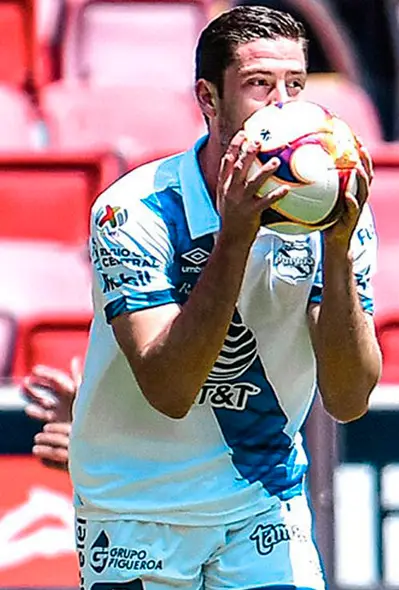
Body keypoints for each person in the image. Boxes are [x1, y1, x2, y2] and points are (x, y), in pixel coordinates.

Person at [69, 5, 381, 590]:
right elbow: (170, 389)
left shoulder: (334, 214)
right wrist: (235, 237)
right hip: (137, 505)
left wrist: (338, 249)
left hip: (264, 500)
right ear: (208, 99)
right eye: (259, 85)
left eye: (295, 85)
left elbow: (349, 398)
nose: (283, 106)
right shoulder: (134, 210)